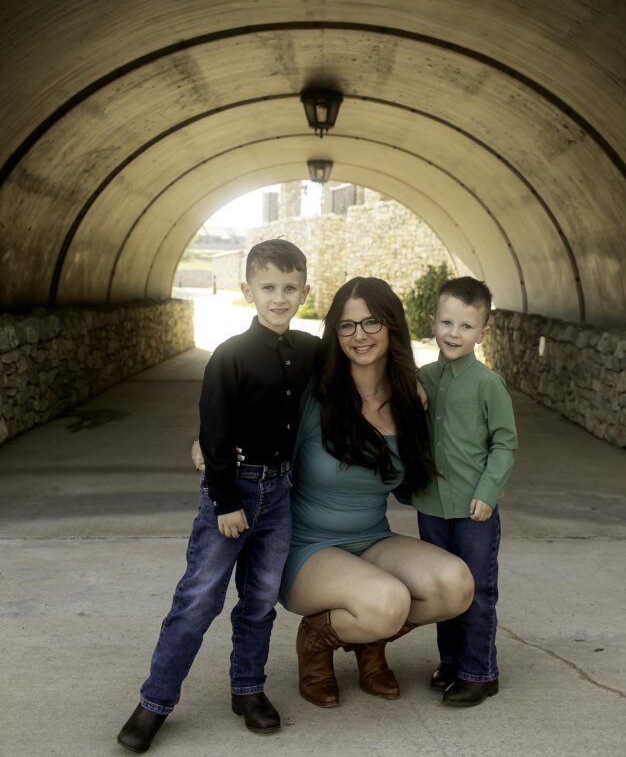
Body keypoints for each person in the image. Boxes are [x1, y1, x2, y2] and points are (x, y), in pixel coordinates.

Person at [117, 239, 320, 754]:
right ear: (247, 290)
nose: (279, 298)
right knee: (199, 598)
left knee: (260, 599)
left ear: (305, 292)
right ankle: (155, 702)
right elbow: (214, 430)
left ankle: (248, 689)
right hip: (233, 491)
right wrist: (226, 500)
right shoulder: (230, 355)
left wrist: (412, 383)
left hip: (280, 493)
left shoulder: (309, 350)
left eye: (290, 288)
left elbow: (362, 365)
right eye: (268, 287)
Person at [280, 276, 475, 707]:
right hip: (307, 547)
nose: (359, 335)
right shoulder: (314, 392)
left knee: (455, 585)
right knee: (389, 601)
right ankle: (316, 639)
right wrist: (208, 446)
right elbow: (249, 409)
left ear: (392, 326)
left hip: (371, 538)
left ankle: (369, 637)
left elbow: (419, 479)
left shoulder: (411, 399)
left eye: (371, 322)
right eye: (347, 325)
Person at [414, 276, 518, 708]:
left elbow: (505, 443)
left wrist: (489, 491)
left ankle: (480, 672)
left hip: (475, 508)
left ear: (483, 332)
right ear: (433, 322)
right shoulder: (423, 378)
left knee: (476, 589)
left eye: (466, 326)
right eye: (447, 323)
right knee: (444, 588)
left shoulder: (487, 383)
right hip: (432, 506)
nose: (454, 334)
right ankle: (452, 661)